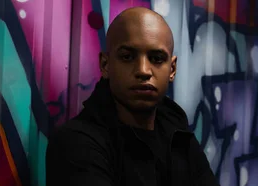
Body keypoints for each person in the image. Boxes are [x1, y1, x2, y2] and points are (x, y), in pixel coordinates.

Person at [46, 7, 218, 186]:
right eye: (127, 57)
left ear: (172, 69)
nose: (143, 71)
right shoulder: (76, 144)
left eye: (157, 58)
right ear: (106, 65)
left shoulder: (179, 136)